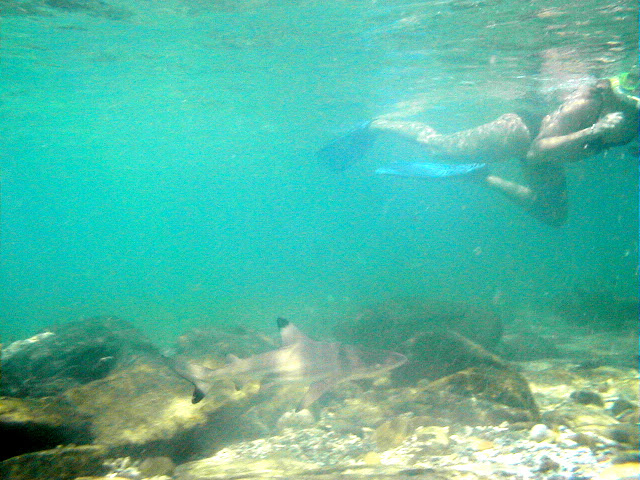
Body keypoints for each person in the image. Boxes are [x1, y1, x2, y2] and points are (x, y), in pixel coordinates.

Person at [318, 70, 639, 227]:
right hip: (523, 133)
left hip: (547, 150)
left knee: (553, 216)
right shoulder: (588, 103)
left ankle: (480, 177)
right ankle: (378, 124)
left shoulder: (633, 110)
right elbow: (540, 150)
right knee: (439, 148)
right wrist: (595, 131)